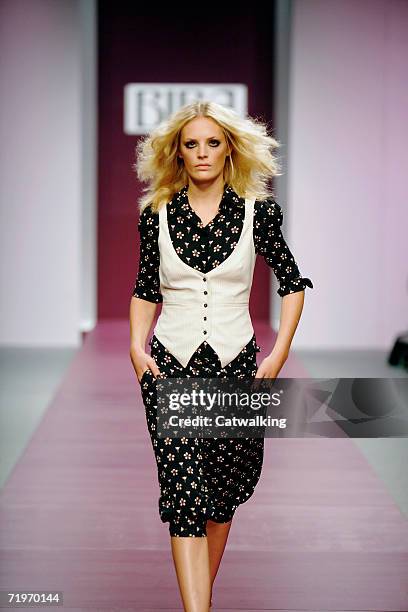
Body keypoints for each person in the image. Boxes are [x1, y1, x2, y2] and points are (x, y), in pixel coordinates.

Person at [129, 100, 313, 612]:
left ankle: (199, 600)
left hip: (239, 369)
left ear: (229, 148)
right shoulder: (157, 214)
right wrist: (137, 348)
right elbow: (146, 287)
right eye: (191, 144)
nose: (202, 153)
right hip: (171, 366)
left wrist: (277, 356)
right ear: (178, 153)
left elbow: (293, 285)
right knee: (183, 494)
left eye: (213, 142)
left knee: (224, 493)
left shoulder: (260, 211)